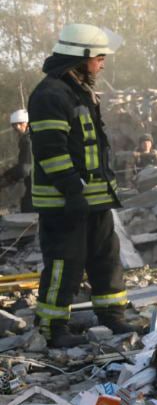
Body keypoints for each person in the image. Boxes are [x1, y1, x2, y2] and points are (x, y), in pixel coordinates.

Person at [28, 24, 135, 347]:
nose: (102, 64)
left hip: (95, 198)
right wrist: (72, 191)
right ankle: (52, 328)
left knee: (106, 257)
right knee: (65, 262)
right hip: (64, 201)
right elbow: (51, 150)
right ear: (81, 57)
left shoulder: (78, 90)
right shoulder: (50, 95)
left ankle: (112, 315)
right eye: (99, 58)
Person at [1, 110, 32, 212]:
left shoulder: (28, 141)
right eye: (14, 125)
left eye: (20, 123)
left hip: (34, 184)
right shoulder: (26, 139)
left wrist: (7, 177)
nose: (17, 127)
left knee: (28, 207)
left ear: (27, 123)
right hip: (31, 184)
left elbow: (24, 168)